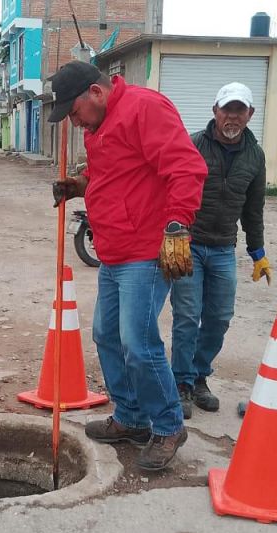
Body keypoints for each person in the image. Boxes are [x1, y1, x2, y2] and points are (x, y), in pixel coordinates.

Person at [49, 61, 206, 471]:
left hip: (145, 251)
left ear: (96, 94)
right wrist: (77, 187)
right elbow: (114, 177)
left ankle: (169, 424)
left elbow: (186, 167)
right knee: (106, 335)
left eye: (74, 111)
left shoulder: (144, 109)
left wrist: (178, 223)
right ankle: (132, 417)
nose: (74, 120)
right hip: (113, 252)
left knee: (138, 342)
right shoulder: (97, 129)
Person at [170, 82, 272, 418]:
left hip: (224, 249)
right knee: (187, 315)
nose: (232, 116)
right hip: (190, 243)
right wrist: (171, 231)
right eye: (227, 109)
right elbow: (172, 187)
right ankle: (181, 383)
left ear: (250, 115)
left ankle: (199, 376)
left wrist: (257, 252)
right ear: (215, 111)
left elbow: (253, 208)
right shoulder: (194, 145)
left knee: (219, 318)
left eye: (239, 110)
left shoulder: (255, 156)